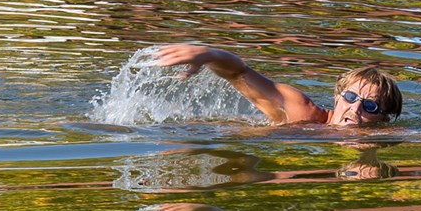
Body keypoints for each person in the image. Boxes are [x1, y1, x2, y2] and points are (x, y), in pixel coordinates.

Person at [154, 44, 402, 127]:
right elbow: (239, 73)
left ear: (384, 119)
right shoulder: (302, 112)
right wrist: (207, 54)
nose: (355, 109)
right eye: (350, 96)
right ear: (337, 98)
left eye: (370, 105)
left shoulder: (384, 135)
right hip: (206, 131)